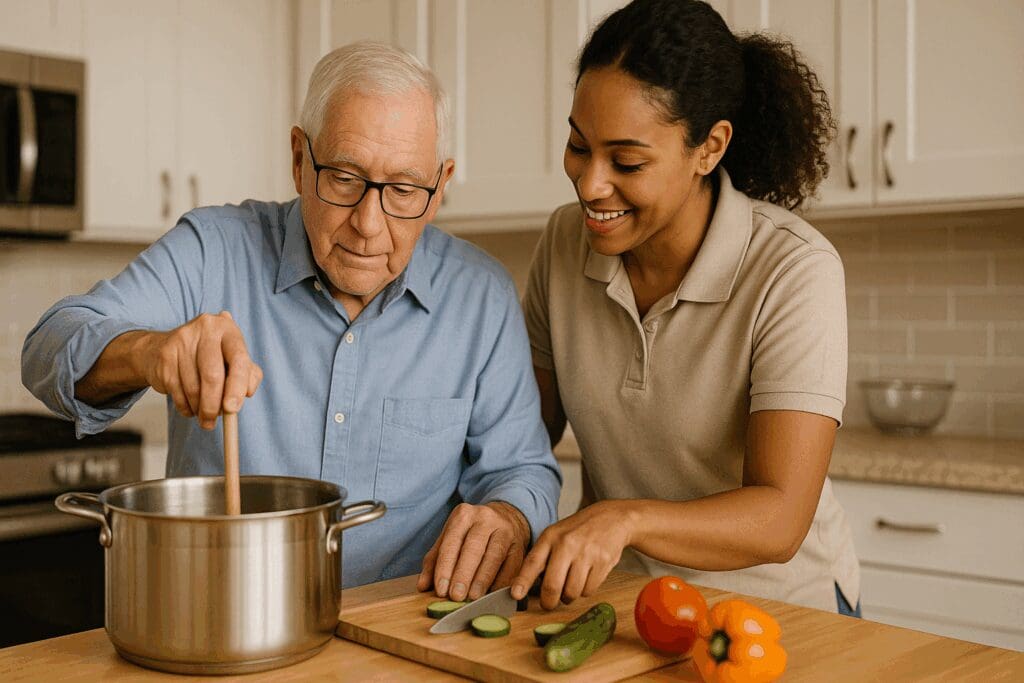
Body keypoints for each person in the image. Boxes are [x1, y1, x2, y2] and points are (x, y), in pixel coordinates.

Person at [22, 41, 560, 596]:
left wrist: (509, 516)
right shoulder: (211, 252)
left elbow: (523, 469)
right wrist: (149, 352)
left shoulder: (481, 295)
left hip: (400, 645)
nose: (369, 224)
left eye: (402, 190)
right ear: (300, 160)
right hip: (218, 629)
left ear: (440, 185)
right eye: (345, 179)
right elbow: (48, 347)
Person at [509, 0, 861, 615]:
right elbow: (520, 440)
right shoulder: (564, 245)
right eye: (577, 145)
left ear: (710, 147)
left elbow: (780, 517)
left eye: (627, 162)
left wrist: (623, 520)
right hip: (627, 608)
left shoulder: (793, 269)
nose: (590, 184)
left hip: (779, 613)